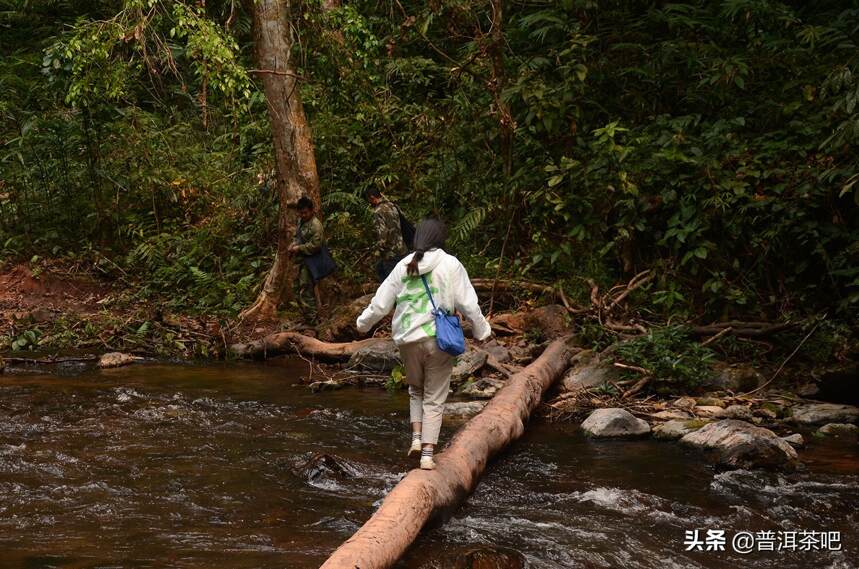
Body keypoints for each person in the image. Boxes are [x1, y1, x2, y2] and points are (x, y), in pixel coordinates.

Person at [355, 219, 491, 470]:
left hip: (408, 340)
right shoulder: (451, 264)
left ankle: (416, 438)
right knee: (435, 395)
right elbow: (469, 304)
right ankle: (427, 455)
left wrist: (362, 324)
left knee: (416, 389)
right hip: (439, 339)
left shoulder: (402, 266)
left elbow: (380, 304)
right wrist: (483, 330)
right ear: (440, 238)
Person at [288, 197, 325, 325]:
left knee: (306, 290)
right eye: (301, 213)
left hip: (310, 262)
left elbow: (316, 245)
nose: (303, 215)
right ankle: (307, 318)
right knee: (296, 289)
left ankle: (314, 322)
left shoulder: (316, 225)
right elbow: (297, 236)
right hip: (300, 261)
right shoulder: (301, 221)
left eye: (305, 212)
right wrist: (293, 245)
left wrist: (299, 248)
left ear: (311, 211)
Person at [366, 188, 408, 282]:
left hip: (390, 253)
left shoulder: (378, 212)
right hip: (402, 248)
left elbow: (382, 236)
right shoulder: (393, 205)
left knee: (391, 281)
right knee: (380, 268)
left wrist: (376, 248)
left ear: (372, 198)